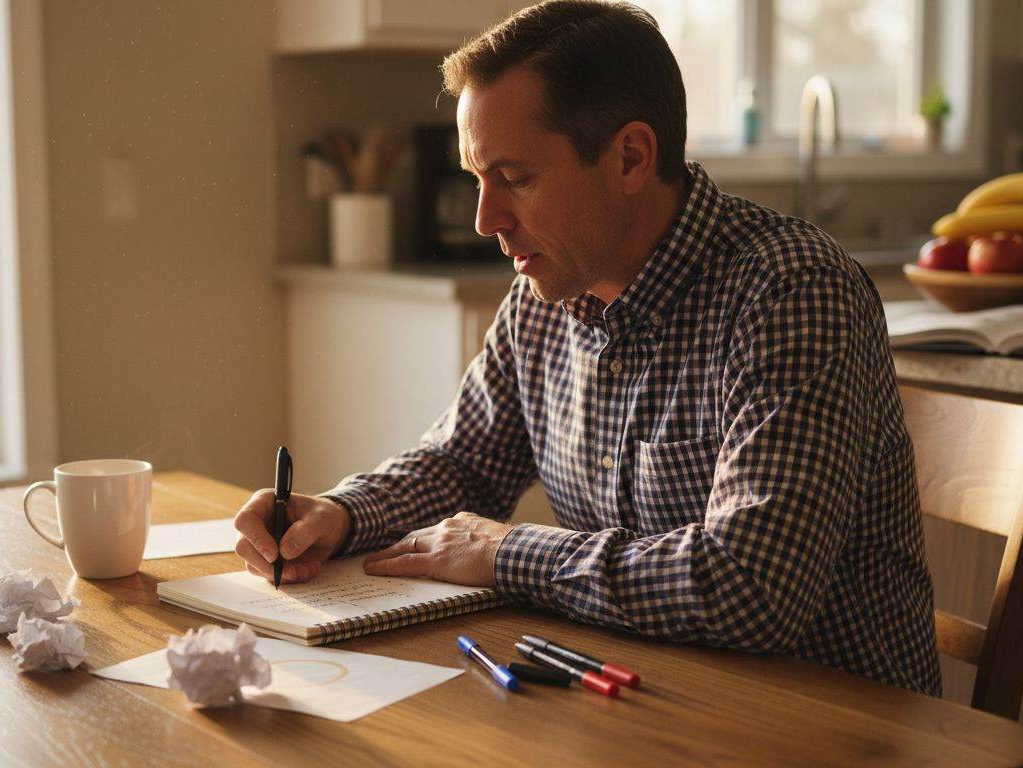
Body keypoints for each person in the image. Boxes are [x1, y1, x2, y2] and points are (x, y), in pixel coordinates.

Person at [235, 0, 941, 696]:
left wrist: (510, 553)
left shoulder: (792, 292)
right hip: (644, 700)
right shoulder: (545, 296)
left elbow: (752, 587)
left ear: (631, 157)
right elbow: (463, 462)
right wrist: (342, 513)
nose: (487, 220)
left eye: (514, 179)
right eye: (476, 180)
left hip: (831, 725)